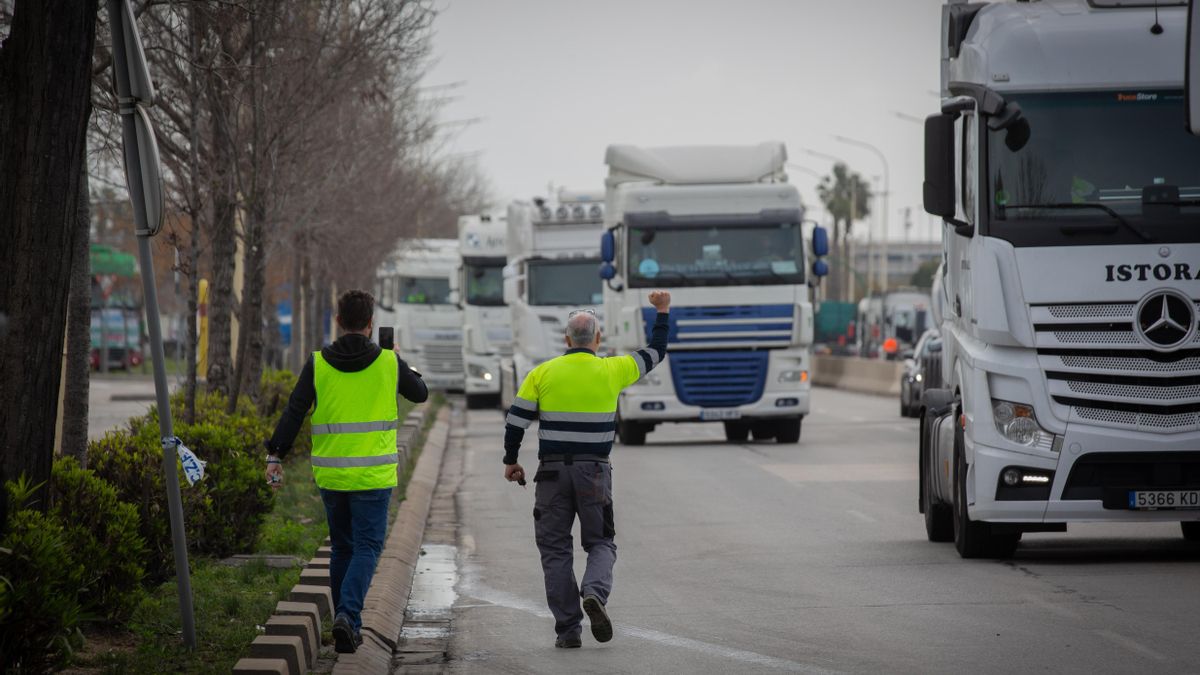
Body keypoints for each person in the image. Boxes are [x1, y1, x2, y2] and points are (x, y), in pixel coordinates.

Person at [503, 290, 672, 649]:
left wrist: (511, 460)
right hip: (594, 473)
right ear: (598, 339)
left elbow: (516, 421)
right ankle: (594, 591)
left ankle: (568, 631)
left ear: (566, 340)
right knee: (601, 542)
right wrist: (662, 311)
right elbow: (657, 351)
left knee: (555, 550)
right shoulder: (614, 369)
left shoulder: (542, 372)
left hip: (551, 475)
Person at [264, 289, 428, 654]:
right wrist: (399, 359)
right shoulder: (388, 362)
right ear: (371, 323)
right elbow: (420, 393)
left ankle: (346, 628)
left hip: (332, 475)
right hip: (373, 476)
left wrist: (275, 455)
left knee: (341, 547)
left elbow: (294, 411)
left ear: (339, 322)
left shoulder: (317, 363)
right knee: (367, 547)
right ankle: (348, 615)